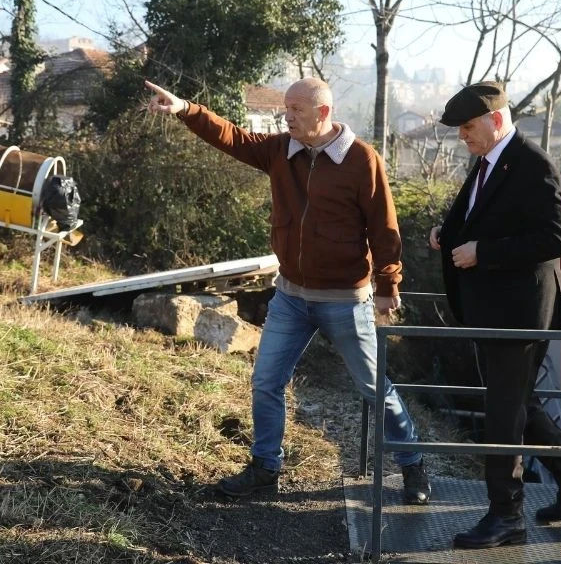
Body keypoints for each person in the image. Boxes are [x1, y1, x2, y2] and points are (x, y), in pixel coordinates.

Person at [144, 78, 431, 505]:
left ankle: (412, 465)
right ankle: (265, 469)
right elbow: (234, 138)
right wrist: (186, 108)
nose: (287, 115)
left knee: (374, 387)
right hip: (291, 297)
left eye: (296, 109)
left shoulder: (361, 160)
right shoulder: (281, 150)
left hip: (345, 300)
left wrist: (389, 285)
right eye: (285, 107)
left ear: (323, 112)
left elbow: (384, 228)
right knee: (266, 382)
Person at [427, 83, 561, 549]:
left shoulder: (532, 163)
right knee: (520, 405)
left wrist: (482, 252)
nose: (462, 136)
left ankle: (506, 515)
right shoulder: (488, 160)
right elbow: (484, 216)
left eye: (467, 127)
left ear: (496, 120)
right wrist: (449, 234)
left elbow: (553, 240)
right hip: (494, 310)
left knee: (503, 413)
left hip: (520, 314)